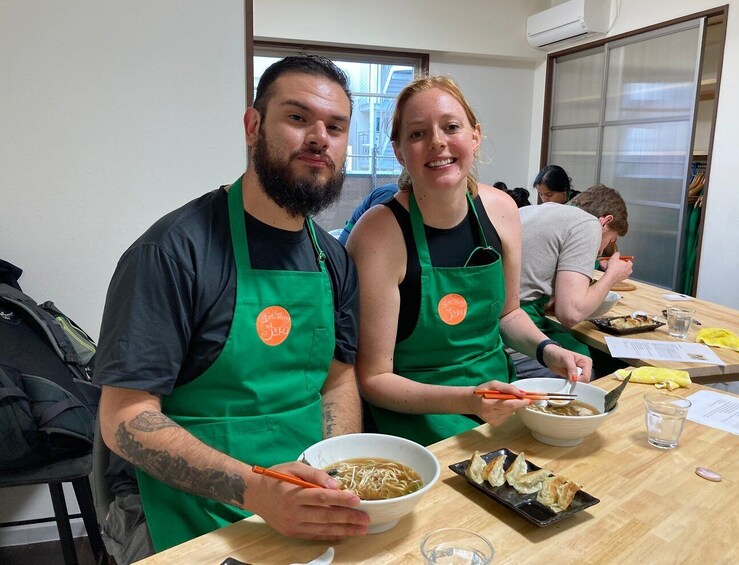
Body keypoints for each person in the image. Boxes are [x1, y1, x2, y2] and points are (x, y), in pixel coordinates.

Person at [93, 55, 369, 559]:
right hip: (183, 503)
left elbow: (339, 379)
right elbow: (124, 417)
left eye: (335, 126)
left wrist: (333, 470)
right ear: (253, 126)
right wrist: (257, 490)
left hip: (305, 493)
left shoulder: (333, 260)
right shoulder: (173, 252)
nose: (319, 137)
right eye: (298, 117)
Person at [346, 76, 592, 447]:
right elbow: (375, 380)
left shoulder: (502, 210)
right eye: (417, 134)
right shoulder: (378, 235)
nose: (437, 142)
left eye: (451, 127)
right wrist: (468, 399)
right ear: (398, 151)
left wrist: (549, 350)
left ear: (474, 136)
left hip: (499, 403)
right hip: (416, 423)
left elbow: (508, 314)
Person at [513, 184, 633, 378]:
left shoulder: (533, 210)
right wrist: (612, 276)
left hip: (486, 325)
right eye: (611, 240)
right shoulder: (587, 224)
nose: (603, 250)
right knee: (599, 368)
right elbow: (570, 314)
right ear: (605, 221)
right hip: (513, 341)